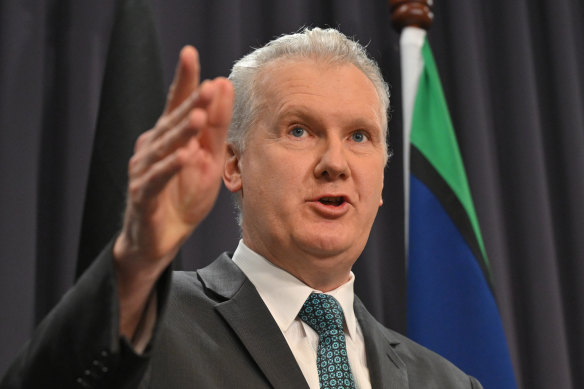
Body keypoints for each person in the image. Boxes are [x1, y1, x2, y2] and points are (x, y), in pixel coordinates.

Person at [1, 28, 482, 388]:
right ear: (233, 164)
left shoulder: (447, 382)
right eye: (299, 130)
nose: (335, 163)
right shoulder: (149, 325)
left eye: (359, 136)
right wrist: (137, 258)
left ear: (380, 179)